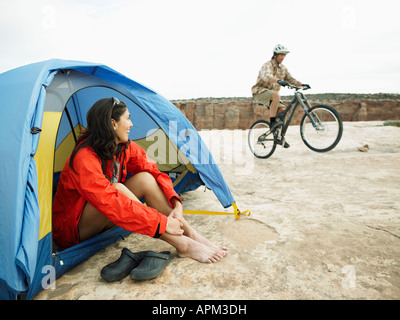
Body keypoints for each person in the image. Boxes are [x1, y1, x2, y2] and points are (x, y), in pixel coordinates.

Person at [52, 97, 228, 263]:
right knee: (117, 188)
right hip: (74, 230)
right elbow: (110, 201)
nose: (131, 124)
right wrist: (161, 222)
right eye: (127, 119)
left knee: (145, 178)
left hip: (105, 215)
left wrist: (177, 204)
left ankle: (190, 233)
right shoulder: (84, 157)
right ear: (113, 124)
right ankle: (183, 244)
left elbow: (153, 170)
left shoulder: (122, 146)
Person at [251, 44, 302, 147]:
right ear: (275, 55)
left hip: (273, 96)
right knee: (276, 95)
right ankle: (272, 122)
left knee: (283, 112)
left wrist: (301, 84)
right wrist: (278, 81)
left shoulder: (283, 68)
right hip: (260, 92)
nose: (283, 57)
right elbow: (266, 76)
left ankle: (278, 137)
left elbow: (290, 79)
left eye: (284, 55)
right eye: (281, 55)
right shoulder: (267, 65)